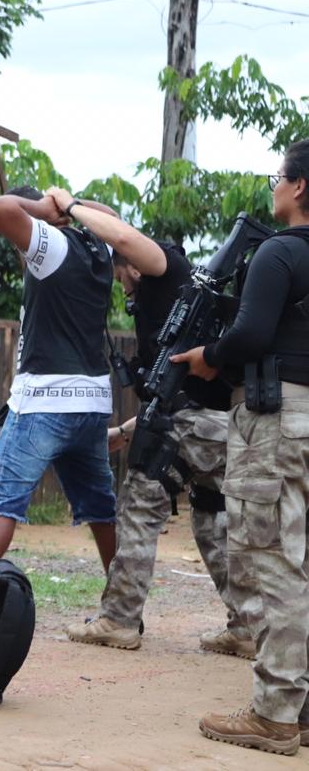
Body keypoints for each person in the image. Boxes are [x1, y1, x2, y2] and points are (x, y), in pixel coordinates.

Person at [56, 189, 254, 657]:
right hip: (214, 426)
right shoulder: (158, 306)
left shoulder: (165, 269)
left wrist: (70, 207)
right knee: (212, 522)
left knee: (139, 506)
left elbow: (123, 234)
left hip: (194, 424)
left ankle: (119, 619)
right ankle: (247, 628)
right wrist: (123, 434)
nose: (118, 280)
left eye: (119, 269)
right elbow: (166, 395)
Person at [175, 140, 309, 756]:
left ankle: (275, 713)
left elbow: (252, 333)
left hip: (279, 420)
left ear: (300, 186)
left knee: (276, 563)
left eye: (279, 176)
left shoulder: (280, 252)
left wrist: (211, 358)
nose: (274, 187)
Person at [0, 186, 119, 591]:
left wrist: (44, 210)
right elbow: (111, 213)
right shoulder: (98, 246)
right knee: (100, 507)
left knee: (1, 502)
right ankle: (122, 605)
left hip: (45, 400)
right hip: (93, 401)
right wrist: (72, 206)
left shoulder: (52, 245)